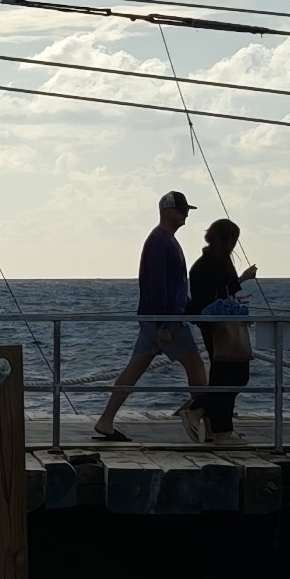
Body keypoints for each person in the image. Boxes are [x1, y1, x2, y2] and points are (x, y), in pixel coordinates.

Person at [93, 188, 211, 439]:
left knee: (135, 368)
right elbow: (158, 285)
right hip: (165, 319)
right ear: (167, 211)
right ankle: (207, 423)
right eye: (182, 210)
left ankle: (106, 420)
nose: (185, 216)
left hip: (159, 318)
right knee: (196, 367)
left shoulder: (164, 240)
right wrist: (164, 324)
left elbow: (173, 286)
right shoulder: (161, 242)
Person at [191, 219, 258, 441]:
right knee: (234, 375)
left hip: (213, 325)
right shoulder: (214, 264)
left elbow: (217, 293)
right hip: (220, 327)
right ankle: (202, 412)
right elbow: (219, 293)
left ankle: (217, 425)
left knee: (223, 374)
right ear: (227, 239)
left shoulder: (206, 262)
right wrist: (244, 278)